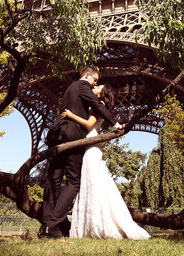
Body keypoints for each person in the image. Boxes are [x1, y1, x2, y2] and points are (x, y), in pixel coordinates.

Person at [62, 84, 150, 240]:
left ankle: (97, 225)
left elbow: (89, 125)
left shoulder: (99, 105)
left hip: (91, 146)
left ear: (101, 94)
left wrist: (70, 115)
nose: (94, 87)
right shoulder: (99, 106)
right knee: (93, 183)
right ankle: (96, 224)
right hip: (92, 144)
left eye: (97, 87)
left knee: (92, 184)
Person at [42, 67, 115, 239]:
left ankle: (49, 226)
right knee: (72, 182)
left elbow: (90, 118)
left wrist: (71, 116)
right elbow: (94, 108)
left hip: (62, 135)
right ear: (87, 76)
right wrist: (116, 124)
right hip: (73, 137)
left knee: (54, 179)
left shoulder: (75, 90)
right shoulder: (83, 88)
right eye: (95, 80)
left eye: (97, 84)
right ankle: (52, 224)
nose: (95, 84)